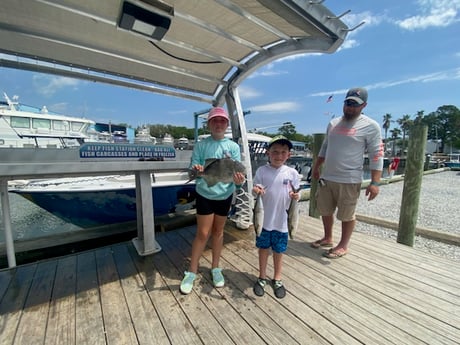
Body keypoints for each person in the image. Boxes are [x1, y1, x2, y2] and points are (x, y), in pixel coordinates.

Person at [311, 87, 383, 258]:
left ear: (364, 105)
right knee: (325, 209)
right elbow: (325, 146)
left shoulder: (371, 126)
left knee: (347, 214)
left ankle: (343, 245)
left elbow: (376, 155)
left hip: (349, 178)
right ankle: (328, 237)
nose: (350, 107)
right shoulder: (333, 123)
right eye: (348, 103)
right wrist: (316, 166)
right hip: (327, 176)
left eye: (354, 104)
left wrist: (375, 182)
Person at [180, 107, 246, 295]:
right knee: (203, 233)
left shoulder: (233, 147)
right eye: (214, 121)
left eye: (222, 121)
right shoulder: (201, 145)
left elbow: (235, 175)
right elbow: (194, 167)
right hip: (205, 194)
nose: (218, 124)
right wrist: (197, 169)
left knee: (218, 232)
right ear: (209, 124)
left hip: (224, 196)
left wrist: (239, 182)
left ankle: (216, 268)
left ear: (226, 125)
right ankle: (192, 271)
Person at [252, 136, 300, 298]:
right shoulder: (261, 171)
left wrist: (295, 196)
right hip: (263, 221)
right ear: (268, 153)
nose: (279, 155)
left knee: (279, 251)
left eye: (283, 152)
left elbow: (296, 193)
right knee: (263, 249)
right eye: (275, 152)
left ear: (288, 155)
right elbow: (255, 189)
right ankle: (262, 276)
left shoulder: (292, 173)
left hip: (282, 222)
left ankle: (277, 278)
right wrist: (257, 191)